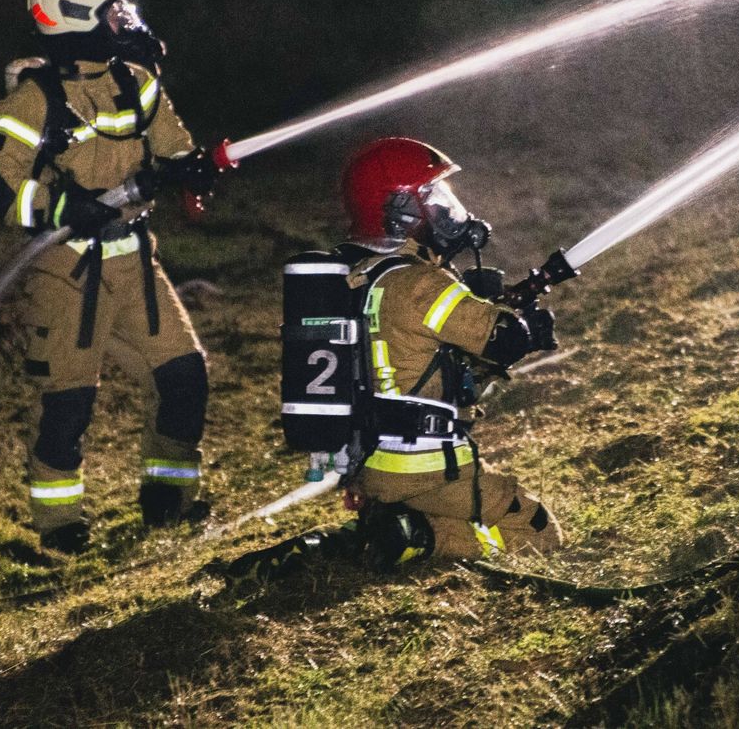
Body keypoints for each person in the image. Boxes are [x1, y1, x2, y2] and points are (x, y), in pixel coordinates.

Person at [226, 137, 561, 584]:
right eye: (434, 201)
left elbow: (425, 359)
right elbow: (500, 342)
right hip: (427, 467)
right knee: (539, 532)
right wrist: (526, 328)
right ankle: (420, 537)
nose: (449, 213)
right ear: (400, 212)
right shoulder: (420, 284)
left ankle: (381, 531)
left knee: (446, 517)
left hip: (374, 466)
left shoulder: (361, 273)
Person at [0, 0, 219, 553]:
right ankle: (60, 527)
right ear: (75, 15)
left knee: (183, 377)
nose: (125, 18)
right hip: (66, 272)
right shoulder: (32, 102)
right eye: (113, 9)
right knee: (68, 403)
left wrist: (195, 169)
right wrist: (59, 208)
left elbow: (173, 145)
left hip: (136, 262)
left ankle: (168, 499)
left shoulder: (136, 82)